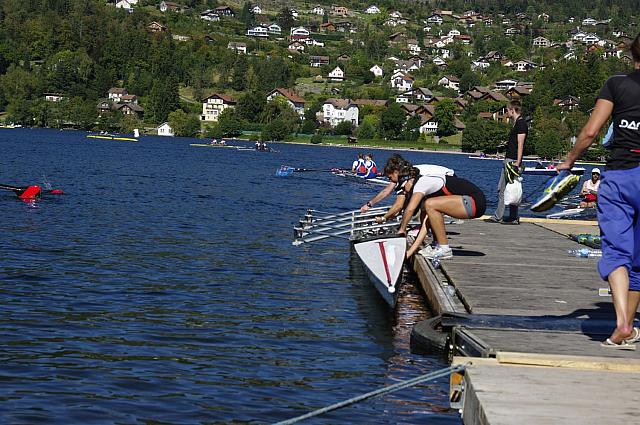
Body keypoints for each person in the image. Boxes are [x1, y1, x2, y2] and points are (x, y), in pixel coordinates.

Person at [557, 32, 640, 349]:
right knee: (639, 259)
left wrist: (569, 161)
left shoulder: (617, 84)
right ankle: (628, 328)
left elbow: (591, 132)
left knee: (618, 253)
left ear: (633, 56)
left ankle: (621, 324)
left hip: (620, 176)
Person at [359, 154, 453, 216]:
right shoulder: (401, 173)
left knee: (421, 203)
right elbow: (386, 191)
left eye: (390, 177)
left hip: (448, 179)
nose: (389, 179)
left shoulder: (405, 177)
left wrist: (385, 217)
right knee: (412, 199)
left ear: (395, 172)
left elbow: (398, 204)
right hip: (441, 178)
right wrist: (369, 204)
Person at [486, 100, 528, 224]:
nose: (506, 113)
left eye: (507, 110)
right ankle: (513, 217)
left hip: (512, 160)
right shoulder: (517, 123)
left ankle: (498, 216)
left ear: (512, 110)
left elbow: (520, 144)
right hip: (511, 159)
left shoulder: (521, 124)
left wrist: (518, 162)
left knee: (503, 188)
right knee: (511, 188)